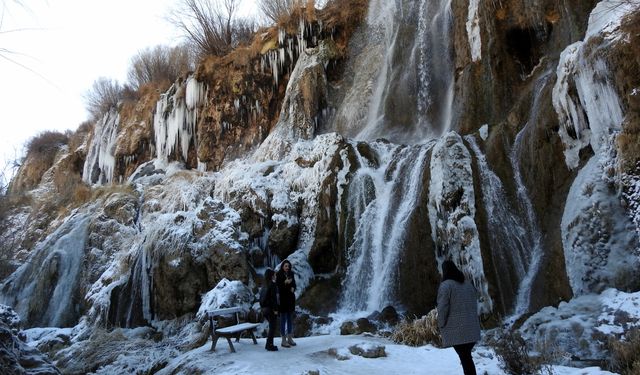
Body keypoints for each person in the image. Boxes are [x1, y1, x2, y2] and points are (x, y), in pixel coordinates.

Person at [437, 260, 481, 375]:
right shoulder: (468, 284)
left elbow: (442, 308)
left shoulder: (446, 286)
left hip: (459, 331)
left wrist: (441, 324)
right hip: (472, 329)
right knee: (466, 357)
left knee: (465, 358)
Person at [276, 259, 297, 347]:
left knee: (289, 319)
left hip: (290, 299)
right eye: (285, 266)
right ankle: (283, 340)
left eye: (288, 266)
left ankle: (290, 338)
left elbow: (294, 284)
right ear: (282, 266)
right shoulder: (279, 275)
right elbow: (278, 287)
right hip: (283, 300)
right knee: (283, 319)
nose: (287, 267)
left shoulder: (291, 274)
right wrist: (285, 283)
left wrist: (293, 287)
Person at [260, 268, 279, 351]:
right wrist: (275, 309)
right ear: (272, 276)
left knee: (271, 326)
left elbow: (261, 298)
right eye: (274, 275)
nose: (275, 276)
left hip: (264, 309)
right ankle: (269, 345)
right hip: (270, 309)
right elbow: (273, 299)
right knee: (272, 327)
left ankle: (268, 344)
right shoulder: (272, 284)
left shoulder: (264, 285)